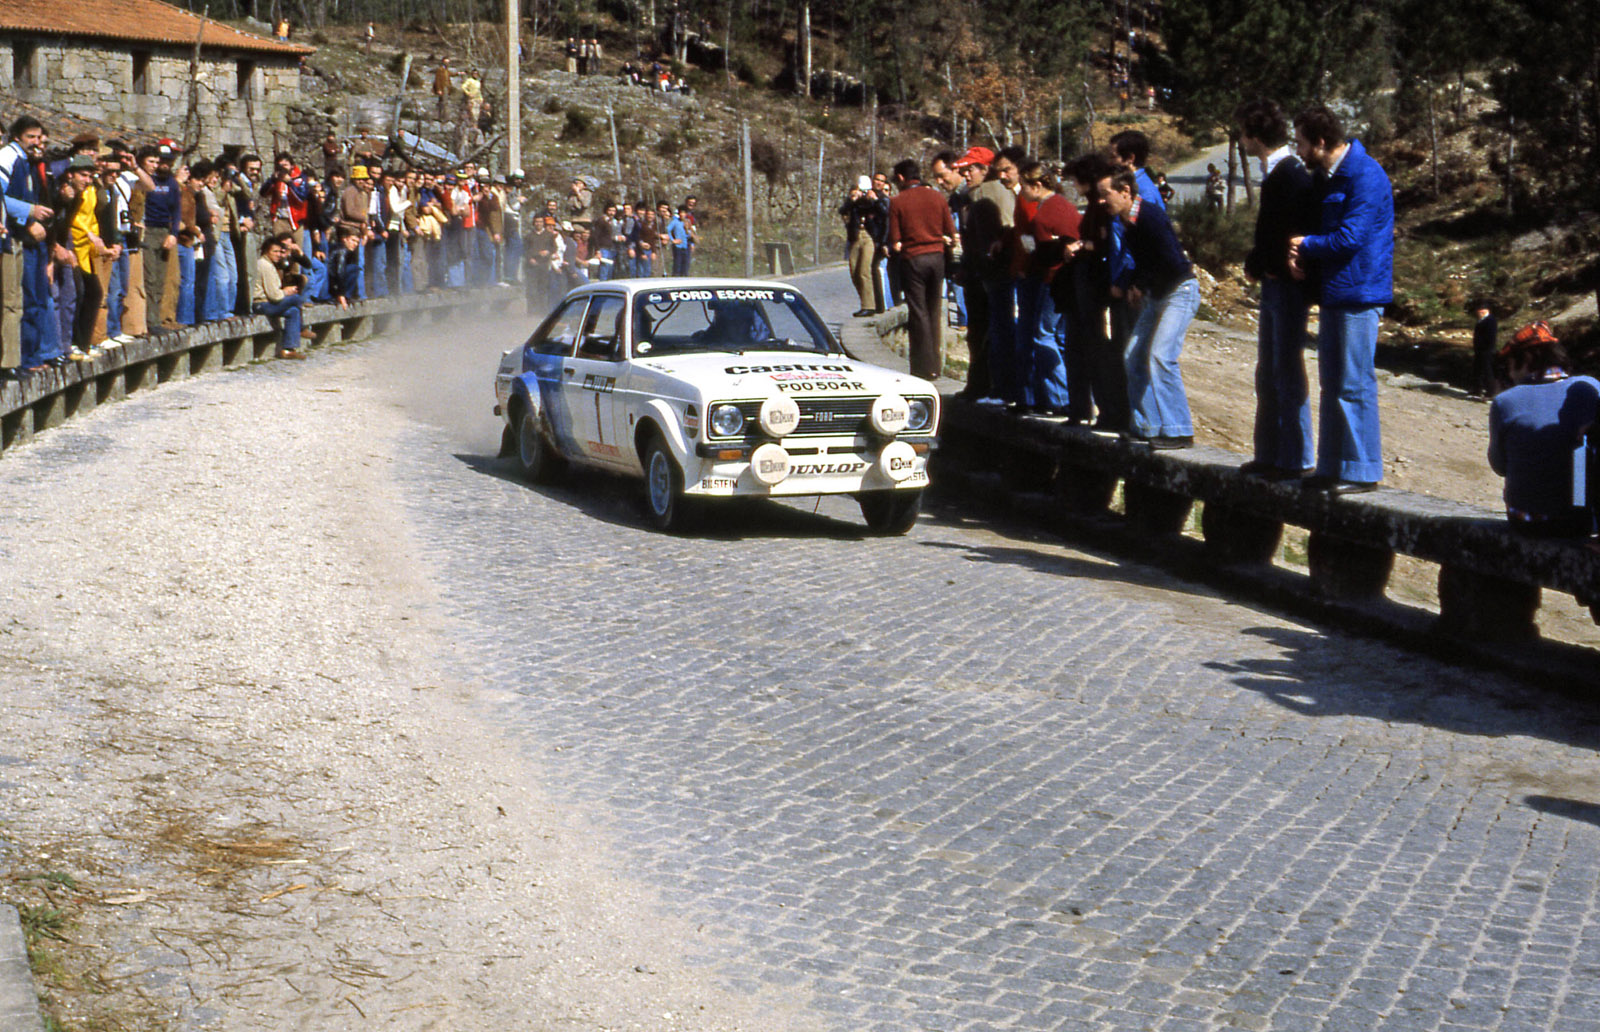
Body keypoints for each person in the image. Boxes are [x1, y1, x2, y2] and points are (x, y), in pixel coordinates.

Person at [1289, 104, 1394, 495]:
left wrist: (1305, 245)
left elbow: (1351, 238)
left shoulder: (1365, 176)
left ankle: (1362, 470)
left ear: (1320, 142)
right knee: (1332, 383)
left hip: (1359, 292)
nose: (1297, 151)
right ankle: (1333, 466)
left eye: (1300, 143)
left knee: (1354, 383)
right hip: (1337, 291)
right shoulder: (1331, 178)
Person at [1237, 98, 1319, 480]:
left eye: (1242, 134)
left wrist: (1268, 263)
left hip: (1286, 287)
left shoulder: (1291, 175)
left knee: (1285, 370)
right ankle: (1270, 453)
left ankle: (1296, 457)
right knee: (1268, 371)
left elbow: (1289, 231)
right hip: (1273, 284)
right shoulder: (1279, 172)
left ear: (1254, 136)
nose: (1240, 141)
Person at [1097, 168, 1200, 449]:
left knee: (1160, 356)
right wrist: (1136, 283)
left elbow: (1171, 262)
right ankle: (1147, 425)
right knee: (1132, 355)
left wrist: (1141, 284)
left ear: (1125, 192)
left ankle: (1179, 429)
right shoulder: (1126, 222)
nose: (1100, 201)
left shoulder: (1150, 216)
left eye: (1105, 195)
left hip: (1178, 291)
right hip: (1158, 292)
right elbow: (1143, 262)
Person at [1487, 321, 1599, 536]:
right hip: (1584, 522)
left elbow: (1500, 466)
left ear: (1527, 359)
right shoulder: (1591, 387)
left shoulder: (1505, 401)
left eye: (1509, 365)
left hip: (1528, 522)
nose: (1510, 374)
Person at [1015, 162, 1080, 417]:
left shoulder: (1043, 215)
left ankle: (1060, 398)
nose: (1021, 192)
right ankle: (1074, 396)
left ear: (1037, 186)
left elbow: (1042, 253)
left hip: (1053, 279)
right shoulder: (1064, 204)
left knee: (1043, 335)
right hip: (1070, 278)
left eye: (1024, 186)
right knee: (1061, 339)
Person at [1, 116, 62, 371]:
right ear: (17, 137)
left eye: (39, 137)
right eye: (31, 137)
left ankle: (30, 358)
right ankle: (21, 360)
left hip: (24, 239)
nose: (37, 142)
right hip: (15, 237)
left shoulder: (27, 161)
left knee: (31, 300)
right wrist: (28, 213)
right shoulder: (9, 157)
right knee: (18, 301)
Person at [886, 158, 955, 381]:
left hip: (913, 259)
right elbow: (950, 231)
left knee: (918, 312)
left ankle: (922, 367)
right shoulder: (937, 196)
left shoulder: (897, 202)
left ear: (901, 178)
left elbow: (895, 240)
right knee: (934, 309)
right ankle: (936, 364)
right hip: (937, 258)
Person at [252, 234, 306, 359]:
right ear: (266, 251)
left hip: (267, 303)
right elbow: (274, 296)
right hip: (261, 304)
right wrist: (286, 292)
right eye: (274, 251)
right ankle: (301, 328)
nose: (278, 254)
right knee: (297, 299)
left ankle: (288, 349)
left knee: (293, 311)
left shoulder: (271, 265)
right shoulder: (264, 265)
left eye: (279, 252)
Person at [840, 175, 878, 316]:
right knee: (854, 272)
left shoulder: (870, 200)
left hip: (868, 236)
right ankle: (865, 301)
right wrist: (852, 200)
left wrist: (871, 198)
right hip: (855, 236)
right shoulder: (852, 203)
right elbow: (843, 211)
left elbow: (876, 209)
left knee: (864, 271)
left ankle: (869, 306)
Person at [1470, 298, 1499, 398]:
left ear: (1483, 311)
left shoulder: (1490, 320)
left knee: (1487, 371)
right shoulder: (1481, 321)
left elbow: (1490, 337)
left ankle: (1490, 392)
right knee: (1477, 370)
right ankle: (1476, 389)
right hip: (1479, 350)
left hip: (1487, 350)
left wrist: (1484, 347)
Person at [433, 58, 453, 122]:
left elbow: (451, 74)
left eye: (448, 62)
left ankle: (443, 116)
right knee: (442, 103)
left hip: (447, 88)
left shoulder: (446, 70)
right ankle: (441, 117)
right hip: (442, 88)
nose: (447, 63)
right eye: (446, 62)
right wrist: (439, 89)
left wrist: (459, 73)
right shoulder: (440, 70)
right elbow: (437, 80)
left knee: (444, 102)